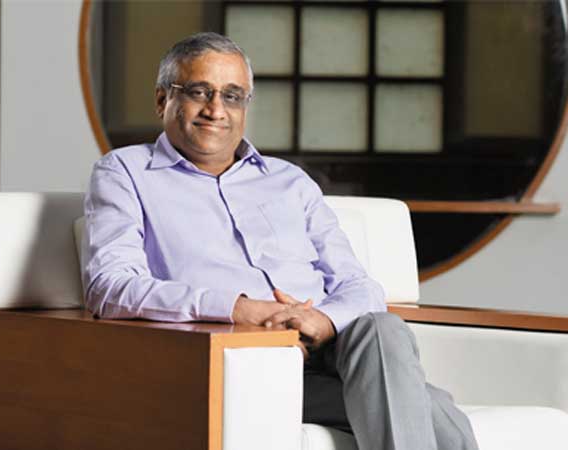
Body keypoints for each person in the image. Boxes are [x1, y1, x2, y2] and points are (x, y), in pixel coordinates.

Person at [81, 32, 479, 450]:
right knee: (433, 411)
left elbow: (360, 286)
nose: (216, 109)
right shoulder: (124, 173)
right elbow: (110, 286)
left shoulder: (291, 181)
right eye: (199, 92)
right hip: (243, 364)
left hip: (334, 351)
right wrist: (239, 309)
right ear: (163, 99)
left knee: (383, 327)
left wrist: (322, 321)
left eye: (233, 96)